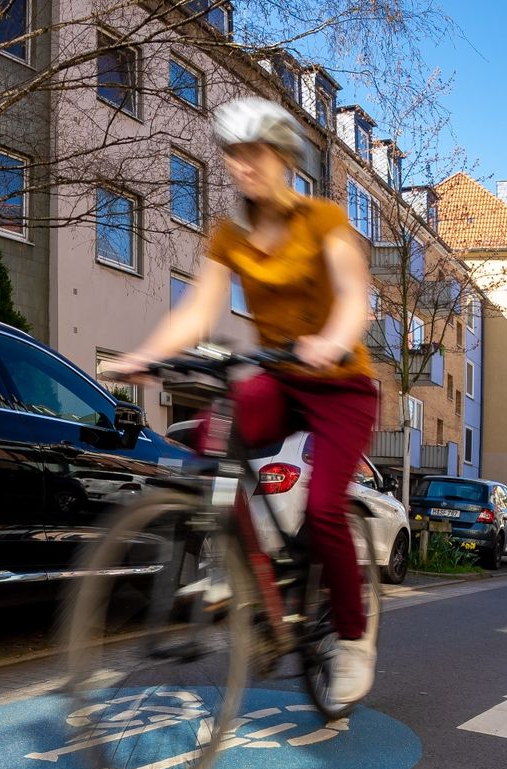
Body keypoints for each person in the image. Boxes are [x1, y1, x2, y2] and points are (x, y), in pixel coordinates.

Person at [102, 97, 380, 707]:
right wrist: (144, 356)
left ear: (282, 158)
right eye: (232, 153)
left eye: (253, 152)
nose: (241, 164)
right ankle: (238, 565)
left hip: (340, 383)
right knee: (208, 437)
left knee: (329, 506)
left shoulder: (324, 221)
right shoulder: (230, 235)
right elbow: (200, 309)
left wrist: (330, 339)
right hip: (279, 375)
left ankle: (354, 640)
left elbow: (353, 298)